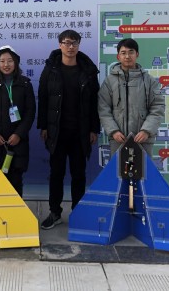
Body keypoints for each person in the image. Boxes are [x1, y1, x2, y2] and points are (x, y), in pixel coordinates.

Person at [37, 29, 100, 230]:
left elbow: (95, 102)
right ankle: (54, 212)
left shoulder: (88, 71)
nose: (70, 47)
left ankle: (78, 212)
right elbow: (43, 98)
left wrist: (94, 129)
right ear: (60, 45)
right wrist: (43, 126)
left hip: (80, 132)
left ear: (79, 45)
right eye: (66, 42)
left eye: (74, 43)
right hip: (56, 131)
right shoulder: (51, 69)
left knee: (78, 174)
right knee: (56, 173)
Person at [0, 45, 36, 196]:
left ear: (16, 63)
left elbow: (30, 112)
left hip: (17, 143)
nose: (6, 64)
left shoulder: (25, 84)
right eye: (2, 61)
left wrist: (19, 134)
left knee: (15, 182)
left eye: (10, 61)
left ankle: (16, 211)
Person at [98, 38, 165, 157]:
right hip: (118, 139)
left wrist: (146, 130)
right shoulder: (109, 81)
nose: (127, 56)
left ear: (137, 54)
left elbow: (157, 107)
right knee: (120, 168)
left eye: (131, 52)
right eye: (123, 53)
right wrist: (113, 131)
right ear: (118, 56)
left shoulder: (149, 80)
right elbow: (103, 108)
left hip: (142, 139)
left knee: (143, 168)